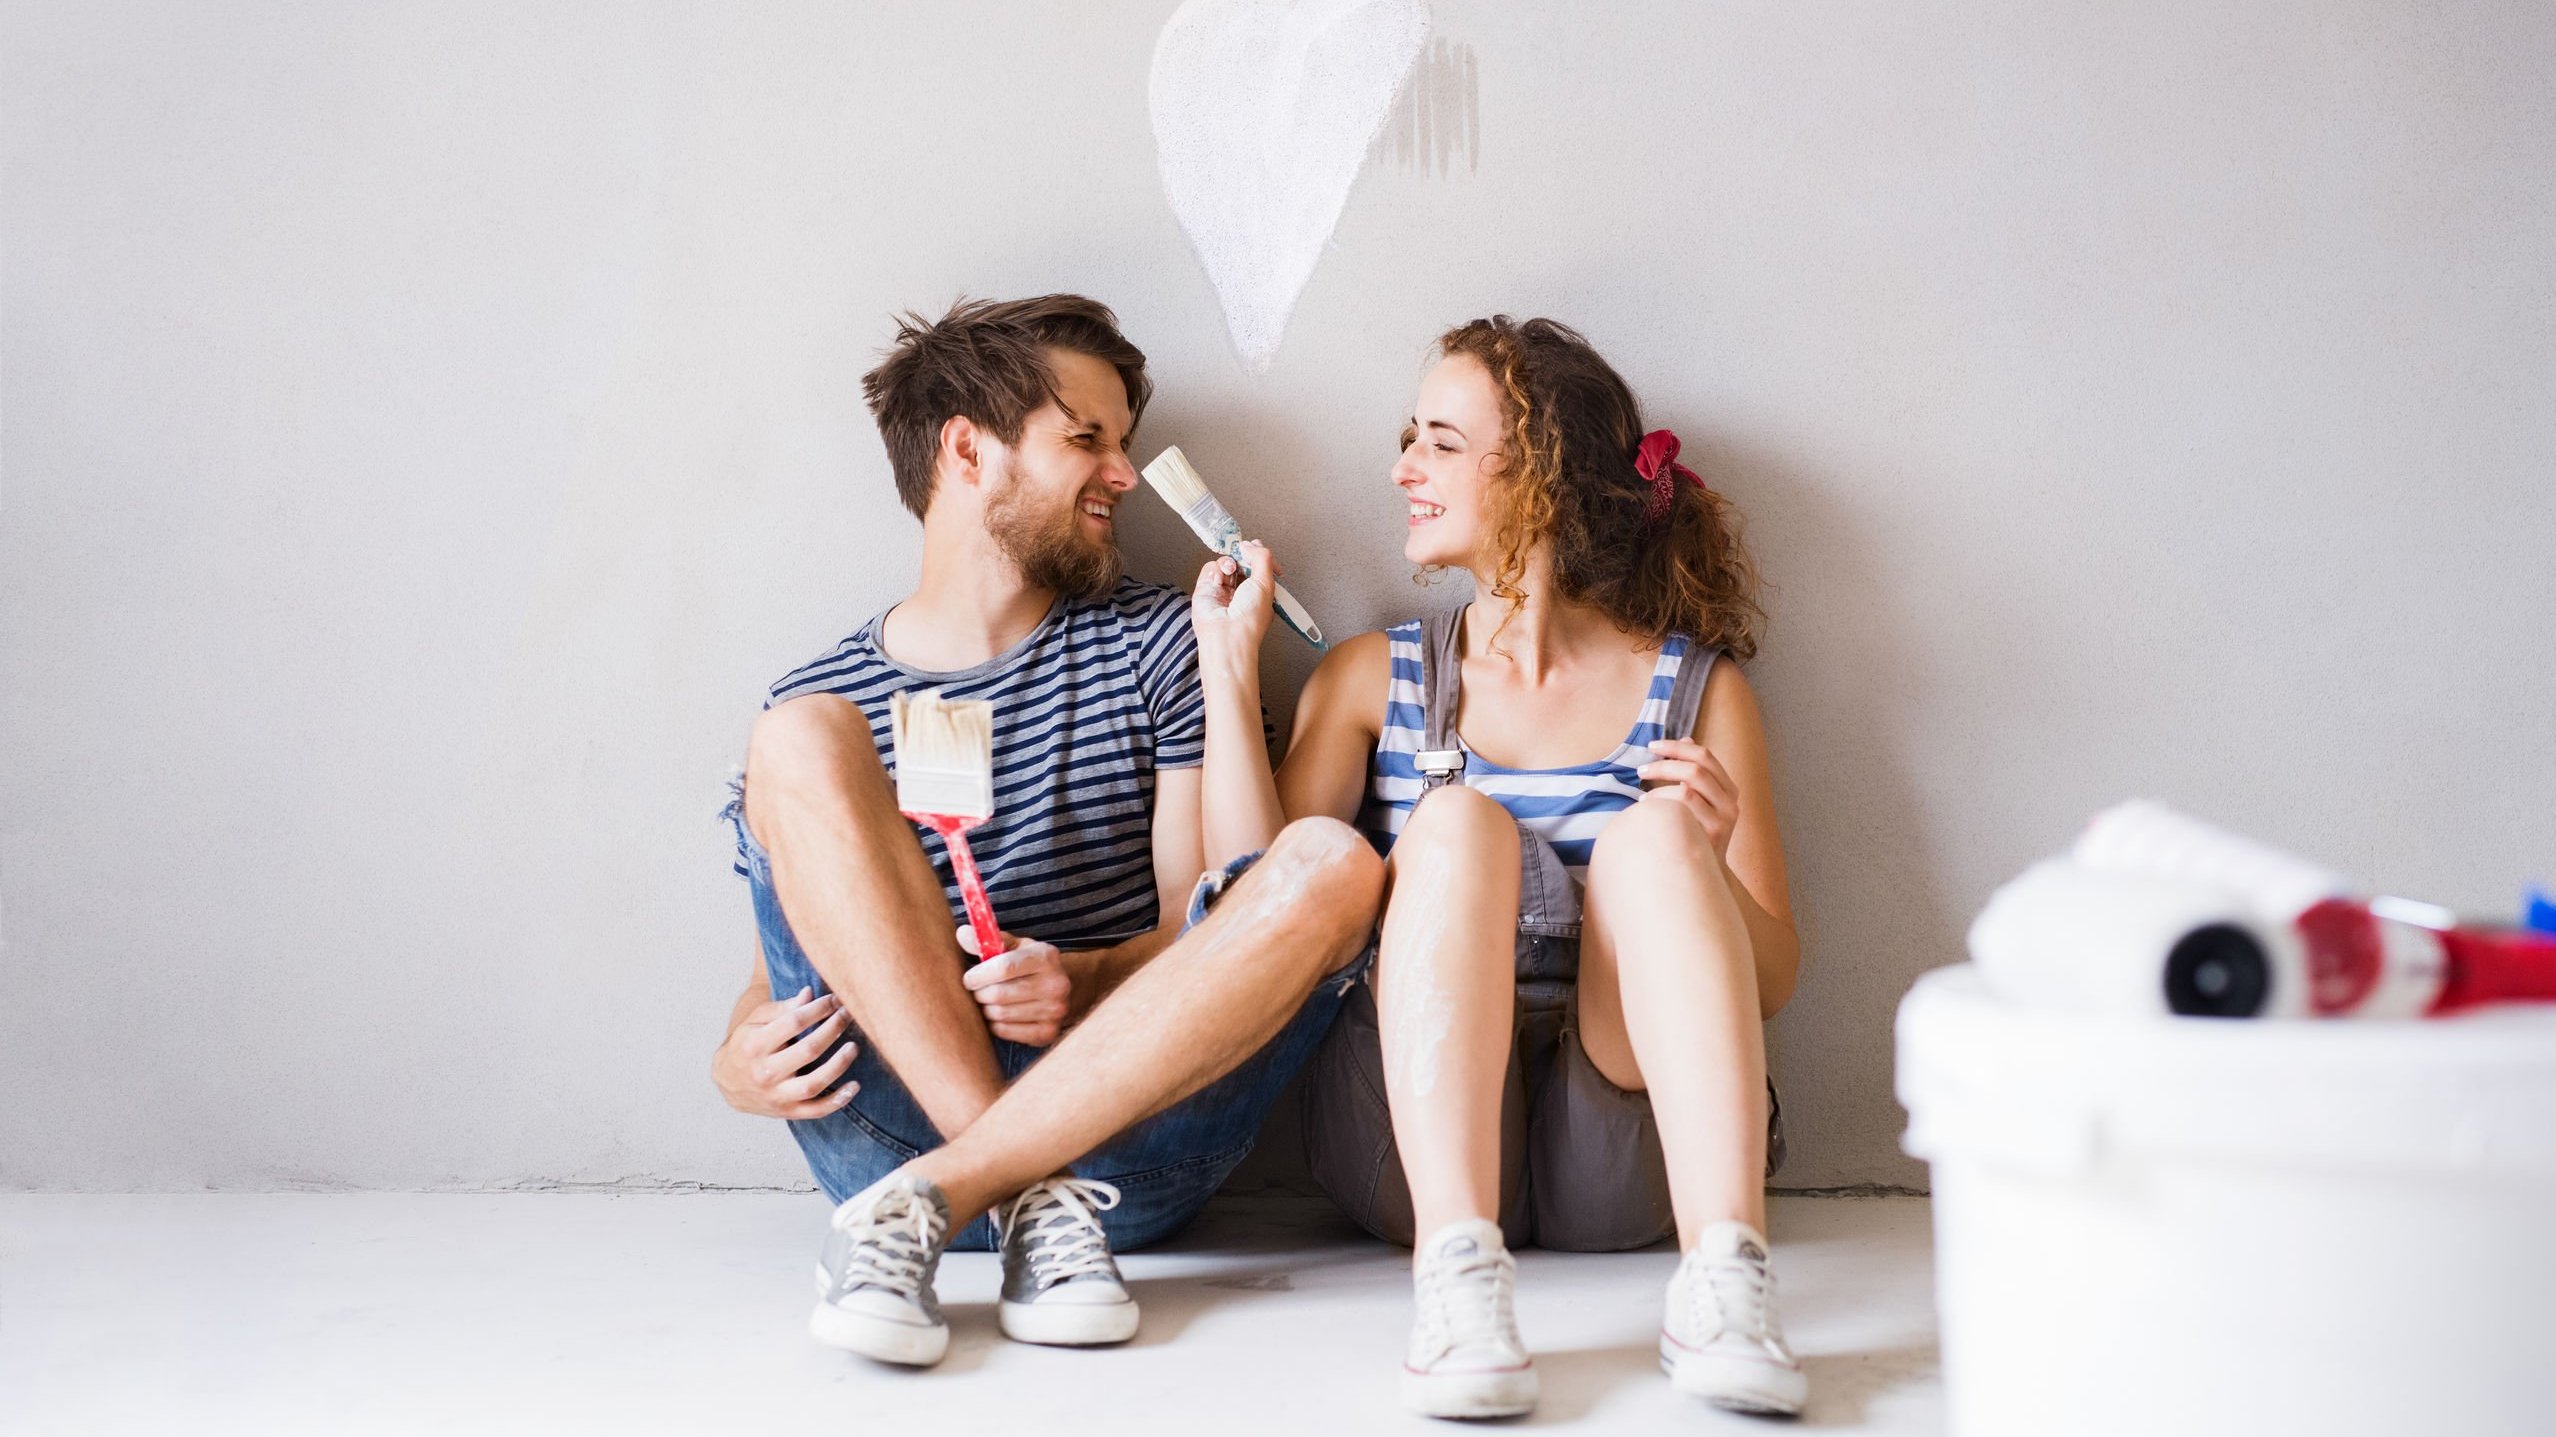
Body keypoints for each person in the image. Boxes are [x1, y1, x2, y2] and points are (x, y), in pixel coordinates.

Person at [715, 294, 1380, 1368]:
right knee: (793, 736)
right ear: (968, 452)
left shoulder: (1162, 641)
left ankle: (968, 1187)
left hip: (1131, 1143)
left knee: (1331, 863)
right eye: (1088, 440)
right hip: (887, 1128)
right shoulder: (824, 697)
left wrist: (1086, 974)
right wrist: (735, 1060)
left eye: (1124, 443)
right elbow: (769, 977)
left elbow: (1208, 924)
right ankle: (1025, 1192)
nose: (1123, 473)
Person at [1190, 316, 1806, 1418]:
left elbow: (1771, 981)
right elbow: (1253, 917)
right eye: (1407, 438)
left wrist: (1706, 868)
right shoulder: (1372, 677)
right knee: (1455, 823)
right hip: (1403, 1152)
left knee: (1657, 836)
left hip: (1617, 1162)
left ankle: (1726, 1280)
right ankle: (1460, 1281)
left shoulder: (1696, 692)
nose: (1401, 469)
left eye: (1437, 441)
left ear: (1543, 474)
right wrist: (1232, 679)